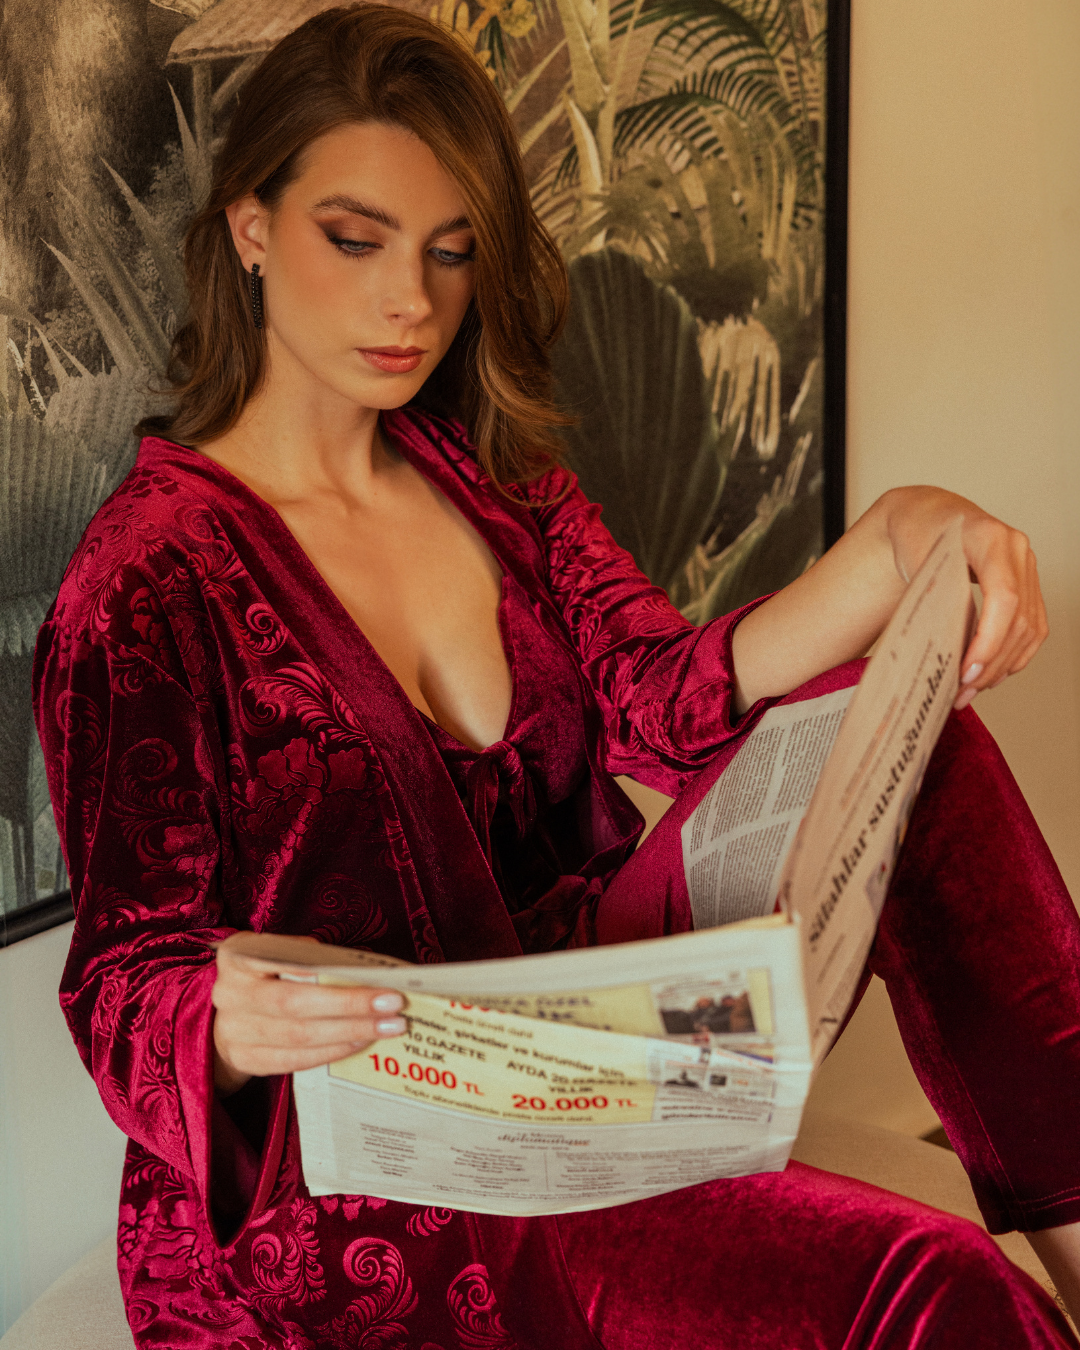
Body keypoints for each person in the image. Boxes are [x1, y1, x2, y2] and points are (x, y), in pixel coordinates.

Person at [32, 6, 1080, 1347]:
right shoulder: (144, 578)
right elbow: (127, 972)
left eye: (449, 250)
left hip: (591, 1032)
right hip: (376, 1159)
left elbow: (661, 698)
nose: (411, 301)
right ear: (250, 227)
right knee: (934, 1288)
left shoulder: (493, 484)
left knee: (925, 745)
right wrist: (221, 1023)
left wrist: (898, 541)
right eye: (354, 240)